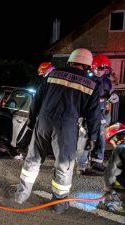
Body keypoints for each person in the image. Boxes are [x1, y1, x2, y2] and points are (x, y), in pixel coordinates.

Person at [14, 48, 101, 214]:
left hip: (43, 121)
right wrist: (93, 136)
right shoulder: (91, 85)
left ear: (70, 61)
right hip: (66, 127)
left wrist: (32, 122)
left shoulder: (53, 74)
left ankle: (21, 195)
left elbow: (36, 100)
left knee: (33, 159)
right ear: (88, 66)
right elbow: (94, 115)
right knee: (63, 165)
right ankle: (59, 205)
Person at [100, 123, 125, 214]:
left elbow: (112, 172)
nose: (112, 145)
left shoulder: (120, 149)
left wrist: (108, 188)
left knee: (118, 182)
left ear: (116, 138)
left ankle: (123, 205)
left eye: (111, 142)